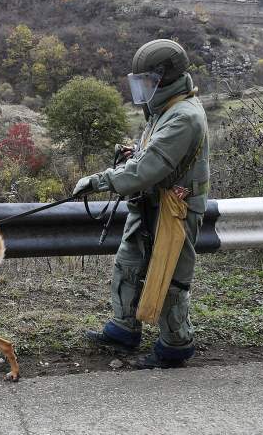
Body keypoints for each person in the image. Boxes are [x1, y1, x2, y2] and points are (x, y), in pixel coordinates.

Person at [72, 38, 209, 369]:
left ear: (165, 77)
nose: (143, 88)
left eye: (147, 81)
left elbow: (148, 169)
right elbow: (151, 155)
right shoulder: (165, 108)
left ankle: (175, 345)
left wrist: (100, 180)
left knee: (169, 277)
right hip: (149, 202)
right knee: (129, 264)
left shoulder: (184, 116)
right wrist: (134, 152)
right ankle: (124, 329)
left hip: (175, 209)